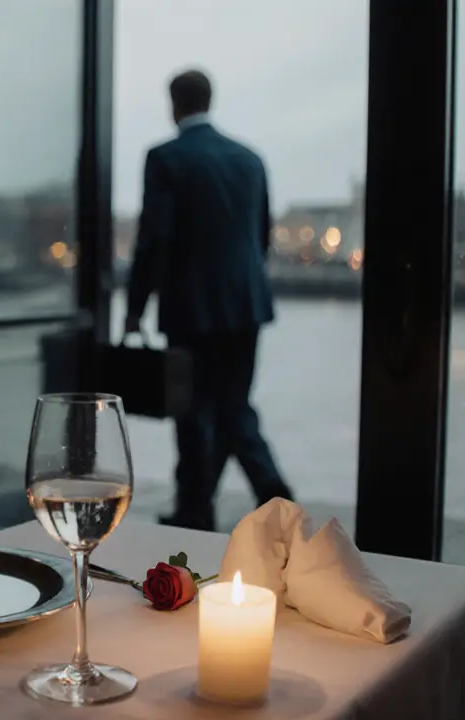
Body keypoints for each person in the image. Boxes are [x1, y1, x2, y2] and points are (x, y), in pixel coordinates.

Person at [124, 69, 293, 531]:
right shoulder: (250, 159)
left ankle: (210, 508)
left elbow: (154, 238)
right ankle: (255, 502)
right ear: (210, 100)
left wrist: (136, 306)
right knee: (235, 405)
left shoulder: (166, 158)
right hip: (246, 305)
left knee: (193, 411)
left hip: (191, 307)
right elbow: (260, 235)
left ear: (173, 104)